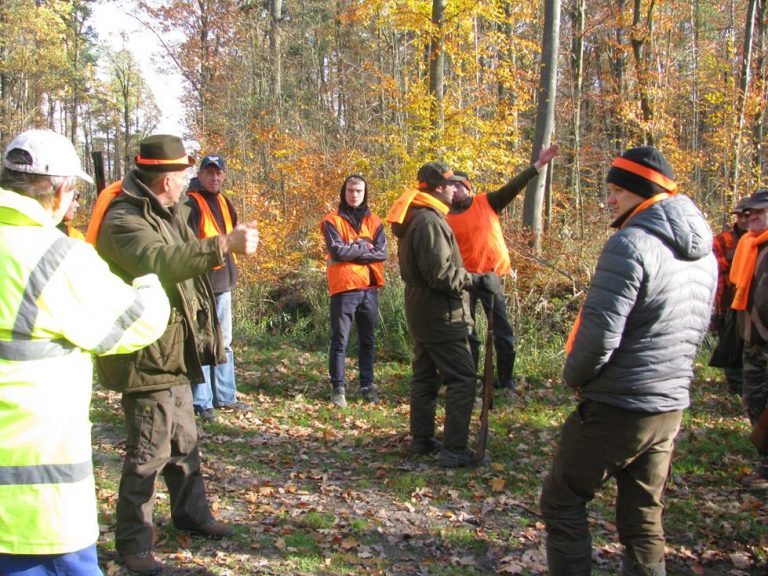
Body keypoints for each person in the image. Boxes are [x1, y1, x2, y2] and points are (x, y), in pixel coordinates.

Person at [86, 134, 260, 575]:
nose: (188, 180)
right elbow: (160, 260)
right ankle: (133, 544)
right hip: (145, 358)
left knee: (184, 443)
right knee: (148, 452)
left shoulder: (165, 210)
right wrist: (223, 245)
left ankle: (191, 515)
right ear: (165, 179)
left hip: (174, 352)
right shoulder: (123, 219)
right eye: (183, 174)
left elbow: (183, 253)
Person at [0, 129, 170, 576]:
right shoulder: (58, 258)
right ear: (58, 192)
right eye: (74, 195)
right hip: (36, 510)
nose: (75, 207)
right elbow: (138, 321)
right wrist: (150, 281)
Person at [540, 147, 716, 576]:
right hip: (669, 404)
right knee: (643, 514)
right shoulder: (705, 252)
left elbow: (599, 336)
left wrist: (575, 378)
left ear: (643, 191)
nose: (610, 199)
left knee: (562, 500)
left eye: (618, 190)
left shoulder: (629, 243)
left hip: (619, 404)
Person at [386, 161, 499, 468]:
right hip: (441, 313)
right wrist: (478, 280)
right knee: (462, 377)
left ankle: (421, 441)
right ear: (439, 188)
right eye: (451, 184)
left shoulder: (418, 217)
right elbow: (442, 275)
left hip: (422, 310)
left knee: (425, 377)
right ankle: (454, 449)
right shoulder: (429, 222)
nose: (456, 189)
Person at [447, 143, 559, 391]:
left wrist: (538, 165)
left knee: (503, 334)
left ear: (467, 187)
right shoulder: (443, 216)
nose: (453, 190)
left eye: (458, 185)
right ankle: (468, 381)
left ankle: (505, 380)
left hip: (491, 277)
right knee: (467, 335)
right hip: (463, 280)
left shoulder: (487, 202)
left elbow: (513, 186)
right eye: (449, 186)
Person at [186, 154, 251, 422]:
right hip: (200, 283)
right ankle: (202, 401)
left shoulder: (225, 201)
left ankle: (226, 396)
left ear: (224, 175)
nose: (214, 177)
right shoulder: (190, 202)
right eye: (209, 172)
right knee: (203, 342)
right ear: (199, 174)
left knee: (224, 342)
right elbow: (188, 246)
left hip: (223, 281)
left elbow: (233, 238)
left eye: (218, 172)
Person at [320, 174, 387, 408]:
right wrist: (364, 247)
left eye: (359, 191)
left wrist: (354, 250)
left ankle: (367, 385)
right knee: (340, 341)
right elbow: (337, 251)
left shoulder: (376, 222)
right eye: (350, 190)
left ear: (365, 193)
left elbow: (382, 253)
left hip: (369, 288)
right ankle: (338, 388)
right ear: (344, 192)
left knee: (368, 340)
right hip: (344, 288)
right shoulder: (331, 220)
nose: (354, 194)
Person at [730, 189, 768, 489]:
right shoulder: (749, 247)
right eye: (747, 213)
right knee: (755, 403)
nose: (751, 217)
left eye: (759, 212)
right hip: (753, 343)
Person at [709, 199, 749, 394]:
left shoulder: (760, 240)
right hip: (726, 302)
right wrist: (733, 259)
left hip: (752, 306)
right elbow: (710, 264)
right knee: (729, 345)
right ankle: (735, 388)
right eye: (740, 215)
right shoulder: (722, 239)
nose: (743, 219)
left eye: (747, 215)